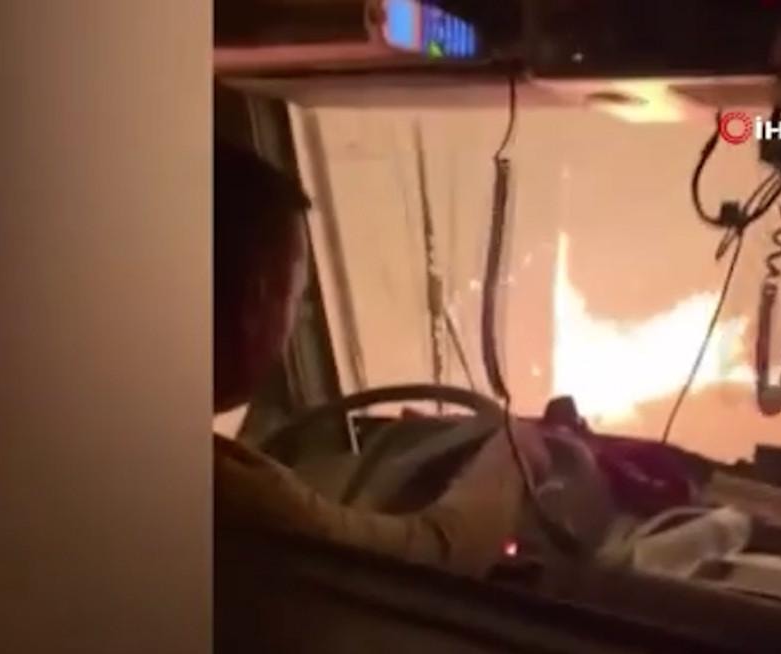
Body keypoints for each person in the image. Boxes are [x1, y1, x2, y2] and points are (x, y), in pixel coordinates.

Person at [212, 139, 547, 577]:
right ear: (256, 300)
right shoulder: (234, 492)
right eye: (294, 296)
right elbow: (436, 554)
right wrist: (515, 452)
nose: (294, 321)